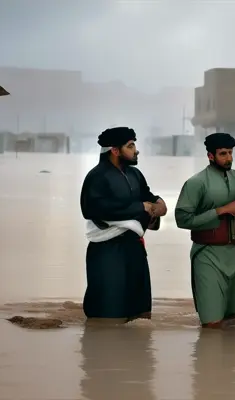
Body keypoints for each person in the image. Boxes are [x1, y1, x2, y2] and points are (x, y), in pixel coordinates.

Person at [79, 127, 167, 324]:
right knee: (108, 313)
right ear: (115, 150)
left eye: (134, 144)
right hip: (107, 250)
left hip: (135, 247)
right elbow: (92, 209)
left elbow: (148, 197)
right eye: (131, 145)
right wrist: (139, 207)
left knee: (140, 313)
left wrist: (159, 204)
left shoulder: (135, 174)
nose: (136, 150)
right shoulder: (96, 177)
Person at [174, 132, 235, 329]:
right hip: (207, 254)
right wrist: (222, 210)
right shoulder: (196, 183)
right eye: (223, 153)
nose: (228, 158)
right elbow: (182, 219)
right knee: (212, 323)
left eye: (231, 153)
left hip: (233, 253)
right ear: (210, 156)